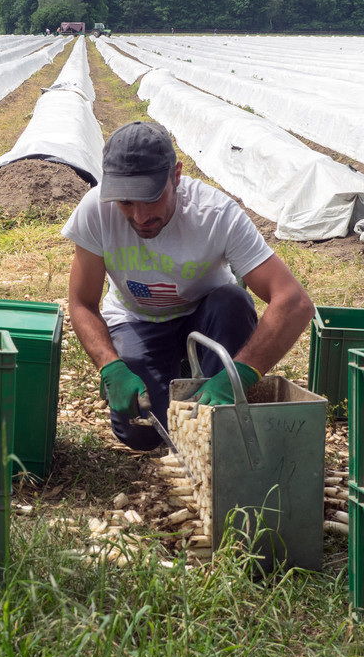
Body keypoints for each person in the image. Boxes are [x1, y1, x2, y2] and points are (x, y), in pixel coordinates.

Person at [62, 122, 315, 451]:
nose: (139, 216)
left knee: (232, 301)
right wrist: (111, 366)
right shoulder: (96, 211)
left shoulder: (215, 215)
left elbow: (293, 301)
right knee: (143, 433)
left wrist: (240, 374)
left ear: (176, 176)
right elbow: (82, 303)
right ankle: (174, 370)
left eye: (151, 199)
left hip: (205, 316)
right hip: (138, 320)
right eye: (126, 203)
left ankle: (215, 382)